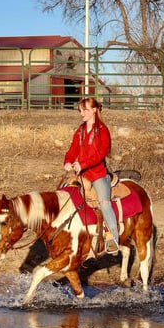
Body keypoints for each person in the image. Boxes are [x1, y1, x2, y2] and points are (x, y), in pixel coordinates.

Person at [63, 97, 120, 255]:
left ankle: (114, 239)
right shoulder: (80, 130)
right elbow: (73, 149)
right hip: (81, 174)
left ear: (94, 110)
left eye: (85, 110)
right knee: (64, 193)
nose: (81, 113)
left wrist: (83, 164)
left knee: (104, 202)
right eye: (80, 110)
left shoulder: (102, 130)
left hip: (98, 174)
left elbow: (100, 154)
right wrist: (68, 161)